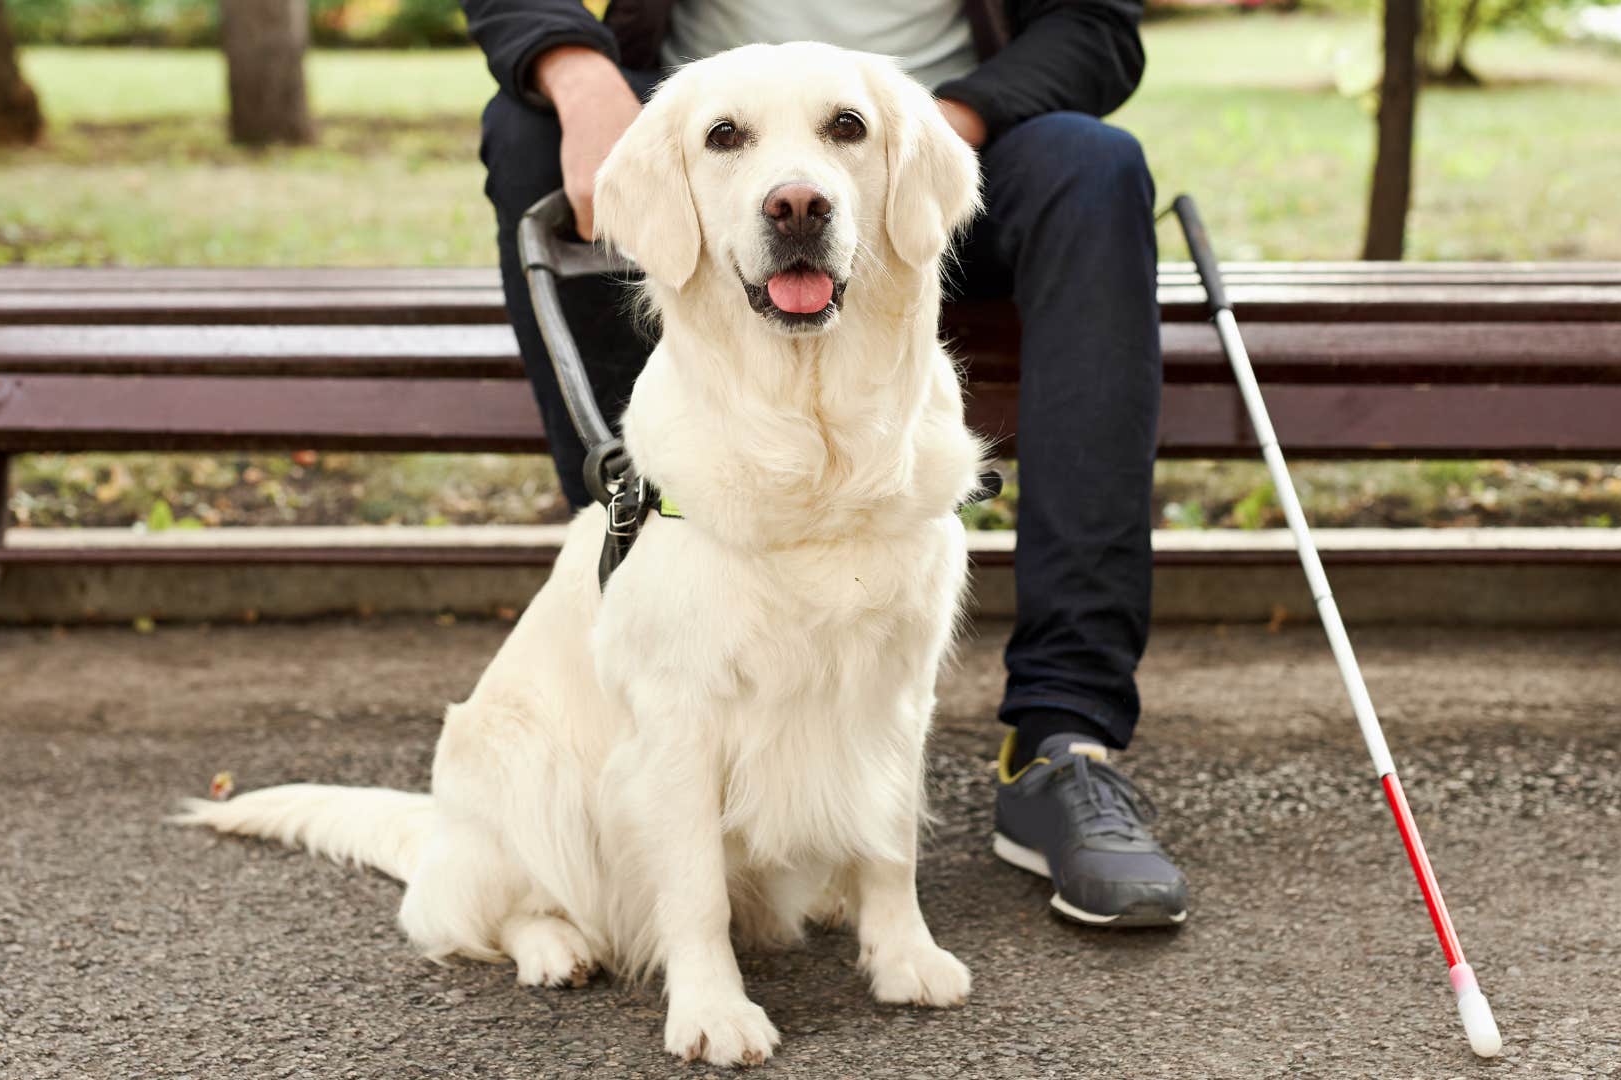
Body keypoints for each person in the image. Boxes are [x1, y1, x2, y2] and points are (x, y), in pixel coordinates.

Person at [460, 0, 1188, 928]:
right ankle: (654, 621)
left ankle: (1064, 739)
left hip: (945, 135)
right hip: (695, 133)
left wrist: (929, 128)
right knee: (528, 126)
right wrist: (574, 69)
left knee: (1097, 164)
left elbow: (1095, 26)